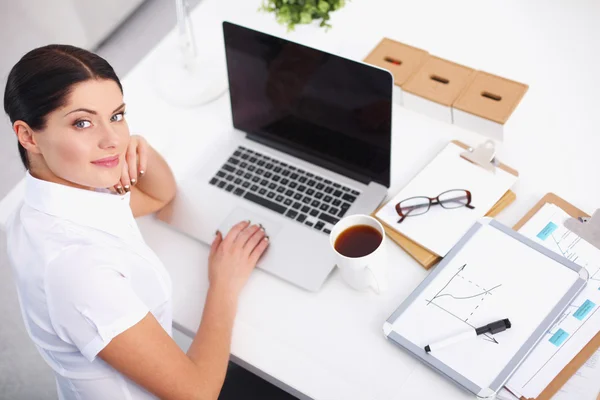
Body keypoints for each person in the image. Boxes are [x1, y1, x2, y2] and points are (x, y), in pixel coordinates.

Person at [3, 44, 270, 400]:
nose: (111, 140)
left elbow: (159, 196)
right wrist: (224, 283)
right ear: (27, 135)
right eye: (82, 123)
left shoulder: (53, 194)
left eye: (116, 116)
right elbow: (198, 393)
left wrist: (139, 147)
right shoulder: (76, 270)